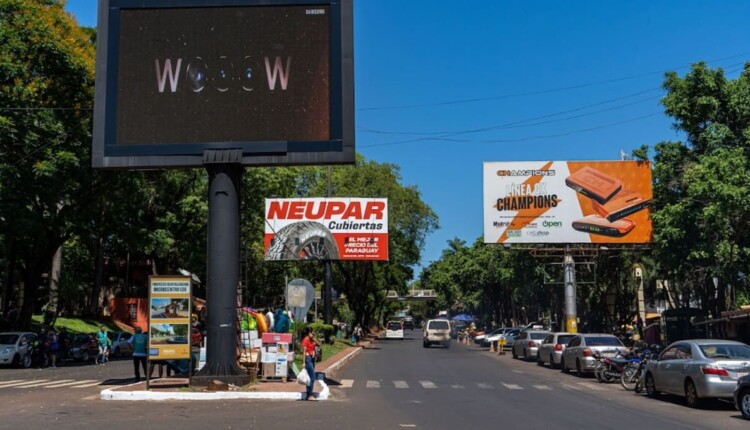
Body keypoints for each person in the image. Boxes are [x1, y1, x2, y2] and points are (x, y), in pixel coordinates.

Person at [301, 328, 320, 401]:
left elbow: (319, 344)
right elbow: (304, 352)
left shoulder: (312, 340)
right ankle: (309, 395)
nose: (313, 335)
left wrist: (314, 339)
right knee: (312, 377)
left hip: (312, 359)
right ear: (309, 333)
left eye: (314, 334)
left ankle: (308, 394)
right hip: (308, 359)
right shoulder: (305, 340)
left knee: (309, 378)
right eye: (312, 333)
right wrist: (303, 362)